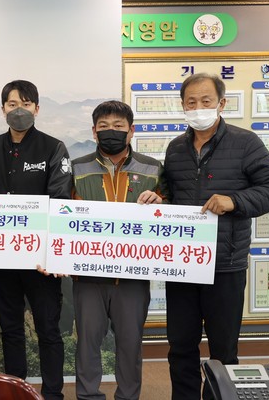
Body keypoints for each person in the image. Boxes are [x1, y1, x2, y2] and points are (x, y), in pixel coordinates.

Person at [164, 73, 269, 400]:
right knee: (180, 347)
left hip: (225, 265)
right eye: (191, 102)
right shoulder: (175, 148)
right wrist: (156, 200)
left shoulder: (245, 143)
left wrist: (235, 201)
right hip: (183, 265)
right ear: (182, 106)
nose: (198, 108)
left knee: (223, 351)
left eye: (206, 101)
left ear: (221, 103)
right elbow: (170, 195)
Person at [0, 79, 72, 400]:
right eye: (13, 104)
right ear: (3, 109)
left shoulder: (53, 148)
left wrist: (51, 255)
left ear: (37, 109)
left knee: (48, 330)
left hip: (41, 263)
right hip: (3, 260)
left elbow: (59, 202)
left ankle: (53, 394)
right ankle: (16, 391)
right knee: (11, 330)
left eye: (26, 104)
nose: (19, 110)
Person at [70, 101, 167, 400]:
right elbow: (62, 213)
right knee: (87, 344)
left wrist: (161, 202)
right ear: (94, 131)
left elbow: (172, 211)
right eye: (104, 127)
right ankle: (88, 396)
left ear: (131, 130)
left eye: (118, 126)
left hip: (133, 277)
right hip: (88, 276)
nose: (110, 131)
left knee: (130, 344)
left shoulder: (153, 168)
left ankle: (128, 396)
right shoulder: (76, 167)